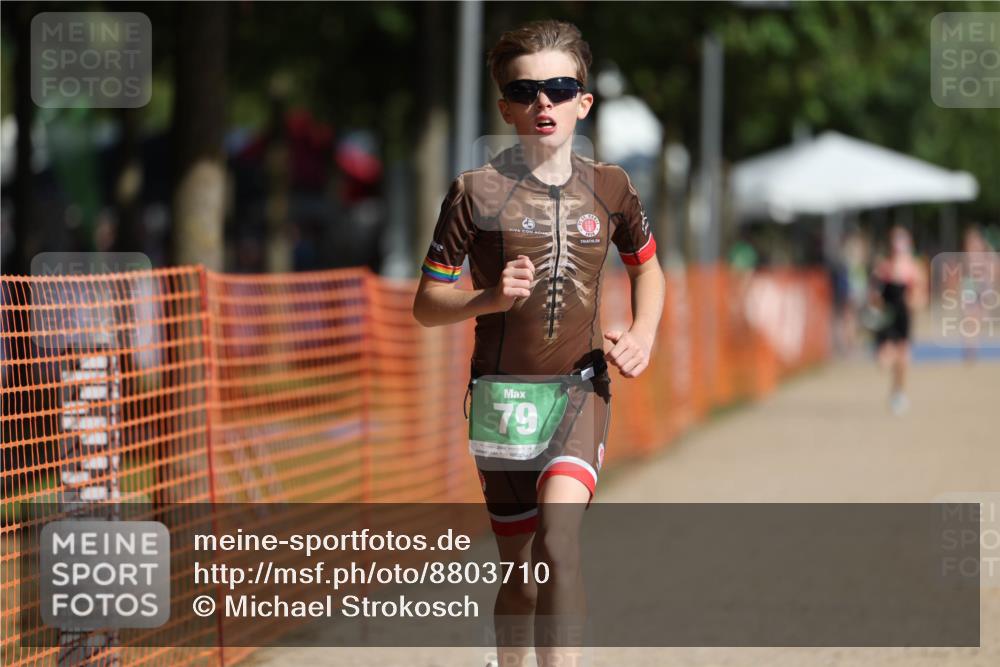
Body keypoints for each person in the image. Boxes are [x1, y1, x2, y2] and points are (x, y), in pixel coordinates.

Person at [411, 20, 665, 667]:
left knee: (560, 543)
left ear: (585, 100)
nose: (542, 102)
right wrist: (487, 299)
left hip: (580, 389)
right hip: (500, 401)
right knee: (523, 576)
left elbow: (648, 267)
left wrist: (642, 332)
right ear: (505, 107)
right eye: (526, 91)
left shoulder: (611, 187)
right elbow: (425, 302)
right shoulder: (475, 192)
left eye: (558, 87)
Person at [869, 225, 924, 415]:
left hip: (903, 318)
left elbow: (919, 296)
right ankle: (896, 391)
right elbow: (875, 296)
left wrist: (914, 302)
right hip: (887, 318)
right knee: (884, 359)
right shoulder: (882, 269)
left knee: (903, 359)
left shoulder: (913, 269)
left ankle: (898, 393)